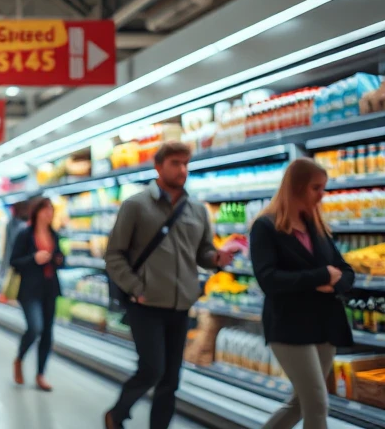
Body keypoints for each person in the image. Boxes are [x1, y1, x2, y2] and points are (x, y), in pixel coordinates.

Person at [104, 141, 234, 429]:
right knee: (152, 369)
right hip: (146, 304)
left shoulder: (197, 210)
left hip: (181, 304)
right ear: (158, 167)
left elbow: (202, 253)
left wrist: (217, 258)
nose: (182, 169)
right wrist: (137, 288)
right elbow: (114, 255)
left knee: (170, 379)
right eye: (175, 163)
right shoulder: (136, 206)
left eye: (186, 163)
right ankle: (117, 412)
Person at [250, 158, 354, 429]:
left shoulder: (315, 225)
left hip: (324, 324)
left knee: (302, 402)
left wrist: (334, 283)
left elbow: (344, 270)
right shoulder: (266, 227)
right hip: (289, 326)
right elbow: (268, 279)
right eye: (316, 188)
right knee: (317, 403)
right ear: (296, 187)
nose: (322, 195)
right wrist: (320, 277)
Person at [9, 197, 65, 391]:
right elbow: (14, 261)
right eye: (45, 210)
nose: (49, 213)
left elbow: (61, 259)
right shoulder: (25, 235)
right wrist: (34, 258)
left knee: (48, 332)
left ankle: (41, 374)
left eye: (51, 210)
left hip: (49, 288)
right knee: (35, 327)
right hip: (29, 290)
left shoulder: (54, 235)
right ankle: (20, 358)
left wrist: (58, 259)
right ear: (37, 212)